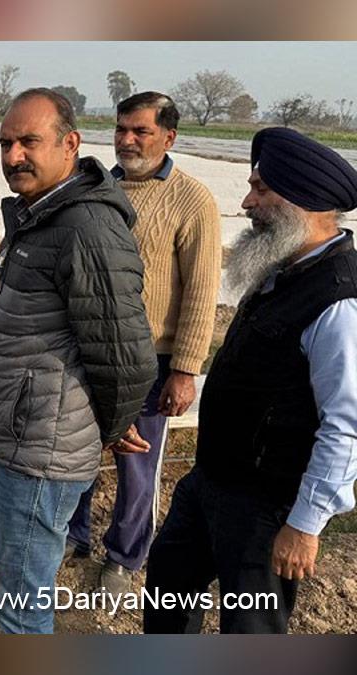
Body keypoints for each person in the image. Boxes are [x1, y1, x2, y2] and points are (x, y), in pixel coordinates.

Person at [144, 127, 357, 634]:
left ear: (302, 200)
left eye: (261, 189)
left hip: (268, 510)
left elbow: (346, 426)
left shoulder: (340, 300)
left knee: (251, 635)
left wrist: (305, 526)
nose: (246, 202)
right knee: (168, 597)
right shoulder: (280, 270)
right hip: (209, 483)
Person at [0, 88, 157, 633]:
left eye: (29, 141)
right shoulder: (40, 215)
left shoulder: (86, 228)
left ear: (70, 144)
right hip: (14, 434)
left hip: (39, 448)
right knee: (14, 586)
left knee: (21, 603)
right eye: (5, 143)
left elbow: (128, 356)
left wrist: (114, 424)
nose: (12, 156)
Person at [66, 92, 221, 593]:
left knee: (138, 464)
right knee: (78, 448)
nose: (127, 140)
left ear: (168, 137)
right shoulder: (94, 188)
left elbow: (201, 289)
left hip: (151, 359)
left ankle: (125, 556)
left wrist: (185, 368)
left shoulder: (192, 200)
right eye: (121, 129)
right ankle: (74, 534)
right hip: (90, 349)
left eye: (141, 131)